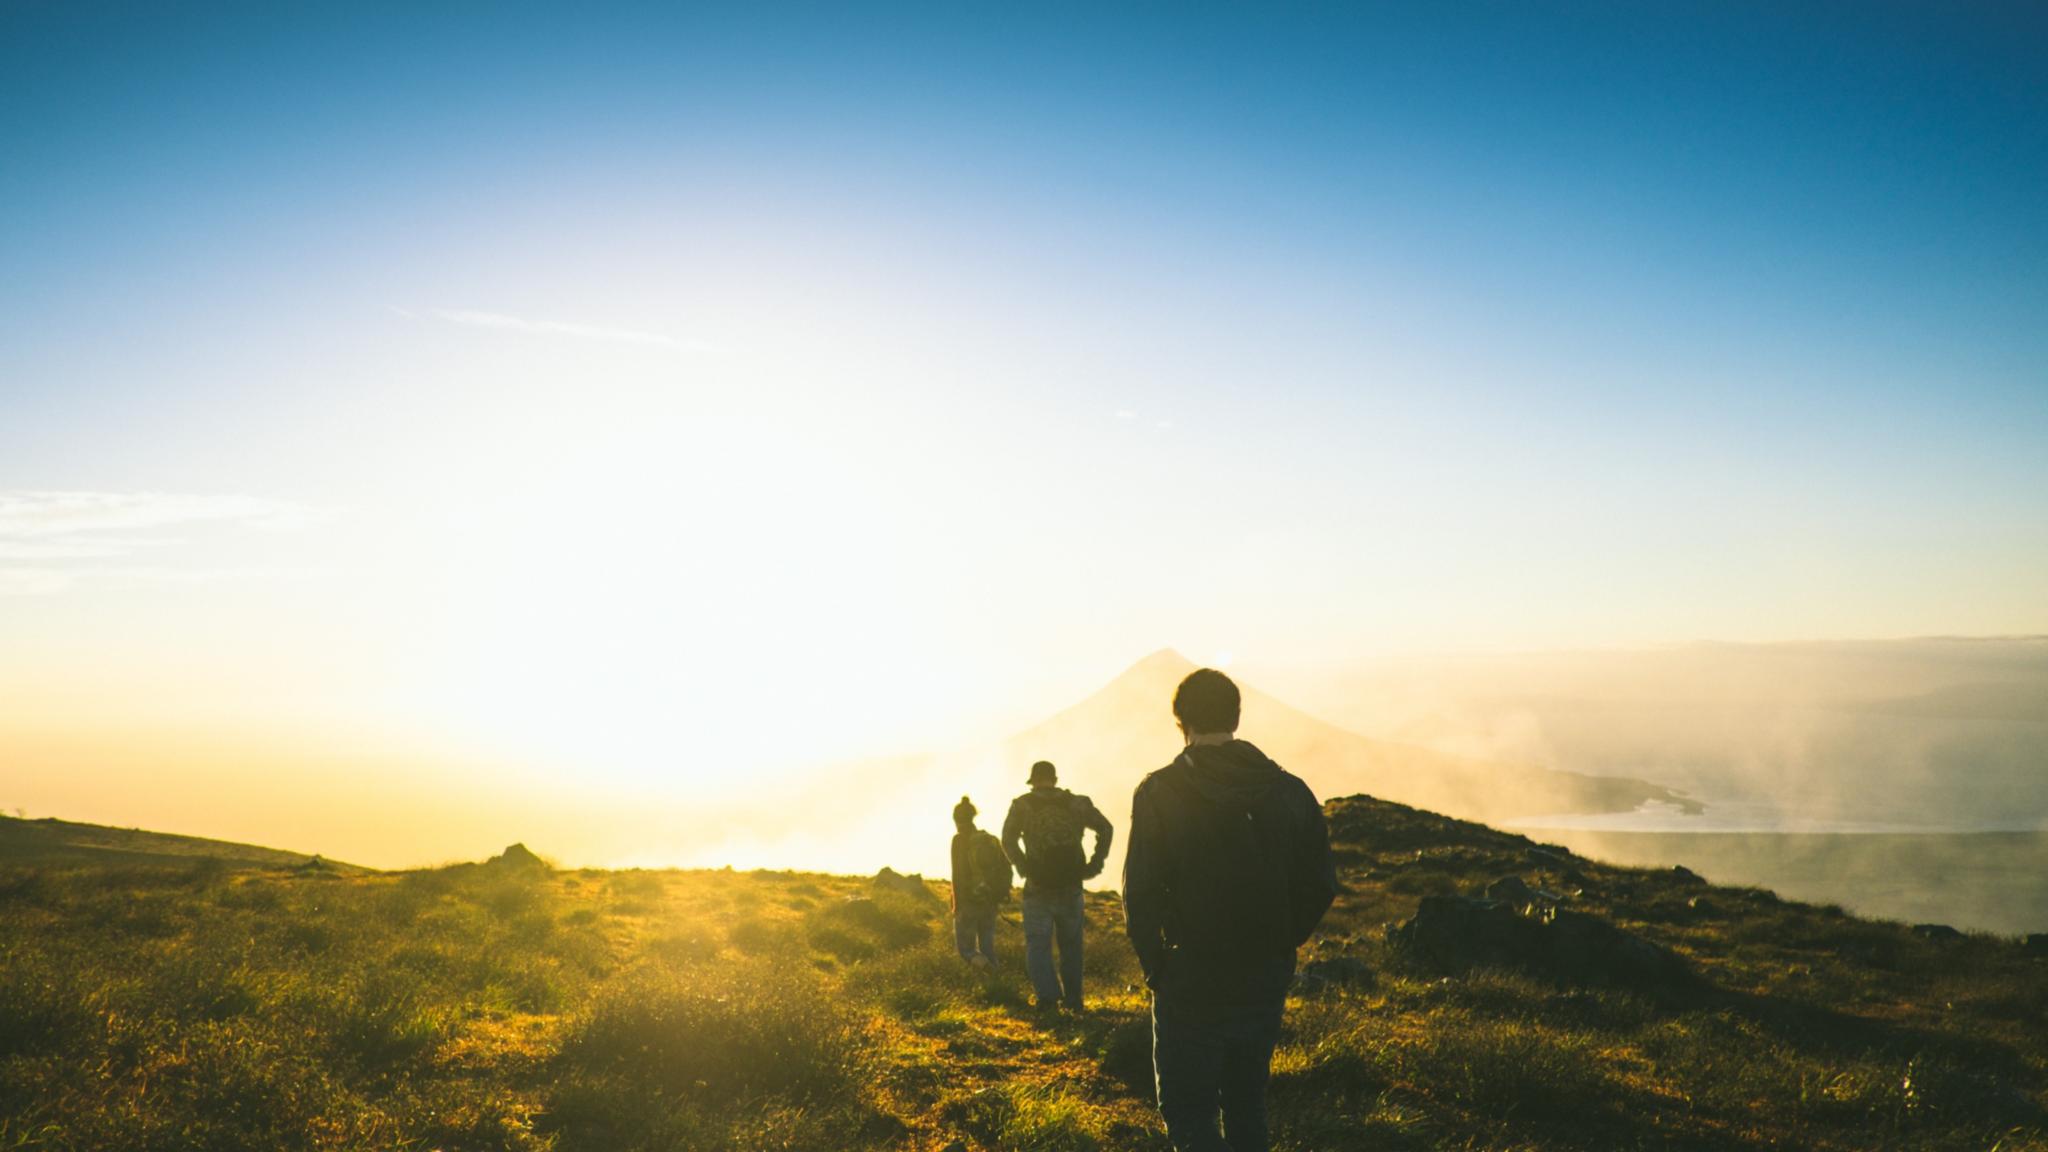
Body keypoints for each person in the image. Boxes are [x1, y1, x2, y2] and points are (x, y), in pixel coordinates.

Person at [1123, 668, 1337, 1152]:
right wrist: (1282, 942)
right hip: (1263, 975)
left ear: (1181, 722)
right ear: (1236, 717)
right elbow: (1321, 883)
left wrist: (1157, 967)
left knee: (1189, 1110)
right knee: (1246, 1104)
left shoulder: (1159, 791)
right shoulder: (1290, 790)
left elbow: (1140, 893)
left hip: (1189, 976)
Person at [1002, 760, 1113, 1013]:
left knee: (1038, 945)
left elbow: (1007, 839)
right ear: (1055, 779)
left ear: (1033, 780)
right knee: (1071, 947)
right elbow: (1106, 828)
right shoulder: (1077, 803)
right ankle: (1074, 1001)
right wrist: (1095, 864)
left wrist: (1023, 867)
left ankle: (1048, 1000)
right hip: (1071, 885)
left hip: (1038, 886)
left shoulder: (1022, 805)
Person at [949, 795, 1011, 969]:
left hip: (969, 901)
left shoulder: (959, 840)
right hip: (990, 901)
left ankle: (988, 970)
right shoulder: (990, 840)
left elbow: (958, 874)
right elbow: (1006, 866)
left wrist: (957, 905)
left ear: (956, 819)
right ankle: (998, 983)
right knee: (987, 947)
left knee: (966, 950)